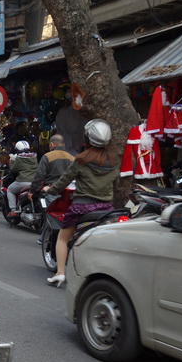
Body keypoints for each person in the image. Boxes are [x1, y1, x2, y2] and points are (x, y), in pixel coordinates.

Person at [43, 119, 119, 287]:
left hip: (82, 208)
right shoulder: (114, 161)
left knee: (63, 239)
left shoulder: (81, 160)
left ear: (87, 138)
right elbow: (116, 184)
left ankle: (60, 273)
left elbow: (63, 182)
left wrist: (50, 190)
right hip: (106, 209)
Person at [6, 140, 38, 216]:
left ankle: (13, 210)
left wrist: (11, 160)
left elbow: (13, 169)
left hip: (23, 181)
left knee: (10, 190)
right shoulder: (34, 157)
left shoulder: (19, 158)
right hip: (34, 181)